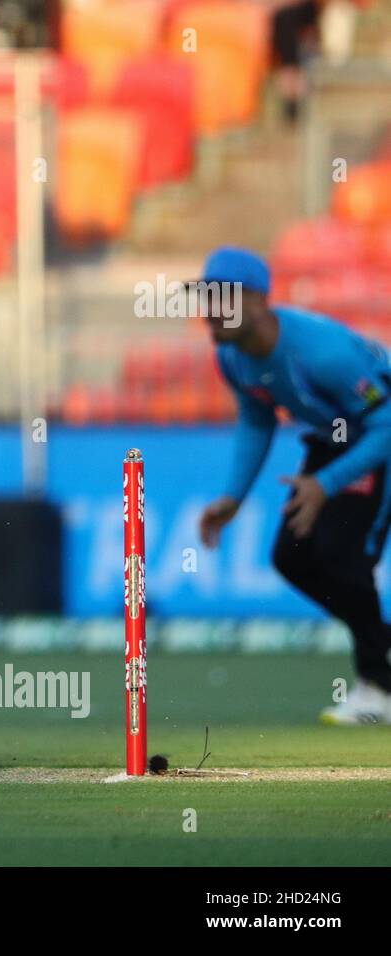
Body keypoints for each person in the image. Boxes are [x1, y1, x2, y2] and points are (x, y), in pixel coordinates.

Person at [197, 246, 391, 724]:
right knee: (294, 556)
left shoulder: (322, 352)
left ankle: (378, 687)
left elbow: (387, 423)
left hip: (379, 437)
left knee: (347, 556)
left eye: (226, 297)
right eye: (206, 297)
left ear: (262, 301)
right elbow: (257, 416)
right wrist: (233, 497)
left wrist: (326, 483)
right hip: (338, 441)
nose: (211, 310)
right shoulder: (232, 356)